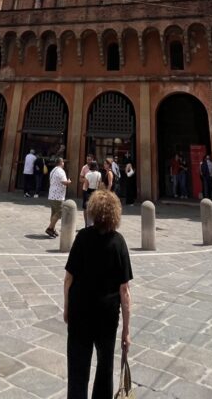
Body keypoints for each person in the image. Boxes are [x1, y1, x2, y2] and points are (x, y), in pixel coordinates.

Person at [64, 189, 132, 399]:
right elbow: (125, 291)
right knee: (105, 368)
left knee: (77, 367)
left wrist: (66, 308)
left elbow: (68, 279)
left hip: (79, 313)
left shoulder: (82, 237)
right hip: (107, 317)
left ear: (92, 211)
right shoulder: (119, 242)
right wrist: (126, 331)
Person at [46, 157, 70, 239]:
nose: (64, 163)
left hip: (52, 194)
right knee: (60, 212)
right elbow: (64, 182)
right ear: (61, 162)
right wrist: (68, 182)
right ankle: (49, 228)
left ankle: (53, 229)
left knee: (54, 213)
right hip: (58, 196)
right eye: (63, 162)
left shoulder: (53, 170)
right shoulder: (61, 171)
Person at [79, 153, 95, 225]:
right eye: (87, 160)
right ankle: (86, 224)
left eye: (90, 160)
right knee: (85, 207)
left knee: (93, 207)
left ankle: (92, 223)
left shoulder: (95, 167)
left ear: (92, 160)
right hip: (86, 189)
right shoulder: (84, 167)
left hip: (94, 190)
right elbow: (80, 179)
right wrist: (86, 180)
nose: (88, 161)